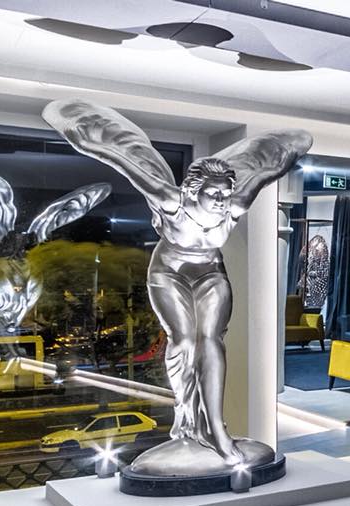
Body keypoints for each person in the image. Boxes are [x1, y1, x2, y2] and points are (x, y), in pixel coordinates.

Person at [44, 99, 312, 470]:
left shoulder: (235, 204)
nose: (221, 201)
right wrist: (84, 137)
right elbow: (123, 158)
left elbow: (268, 167)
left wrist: (291, 148)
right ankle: (186, 419)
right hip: (168, 273)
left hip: (210, 272)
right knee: (184, 342)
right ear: (192, 192)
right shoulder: (170, 202)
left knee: (211, 341)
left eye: (225, 193)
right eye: (214, 194)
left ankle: (216, 429)